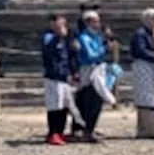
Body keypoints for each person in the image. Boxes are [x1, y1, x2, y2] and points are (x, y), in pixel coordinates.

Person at [41, 14, 81, 145]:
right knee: (54, 105)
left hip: (64, 76)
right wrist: (58, 35)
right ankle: (53, 132)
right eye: (59, 24)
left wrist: (73, 71)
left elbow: (68, 56)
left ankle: (60, 132)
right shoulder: (49, 37)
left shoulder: (65, 39)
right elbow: (49, 51)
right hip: (53, 76)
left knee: (64, 105)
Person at [70, 10, 109, 143]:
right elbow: (90, 55)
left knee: (97, 102)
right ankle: (83, 129)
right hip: (88, 71)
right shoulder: (84, 38)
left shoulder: (97, 37)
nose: (98, 24)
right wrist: (103, 50)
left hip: (98, 70)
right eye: (95, 22)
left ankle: (91, 128)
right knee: (88, 100)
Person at [130, 9, 154, 139]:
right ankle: (151, 128)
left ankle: (147, 128)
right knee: (146, 97)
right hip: (144, 67)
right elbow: (141, 50)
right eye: (153, 19)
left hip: (153, 68)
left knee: (153, 96)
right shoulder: (140, 34)